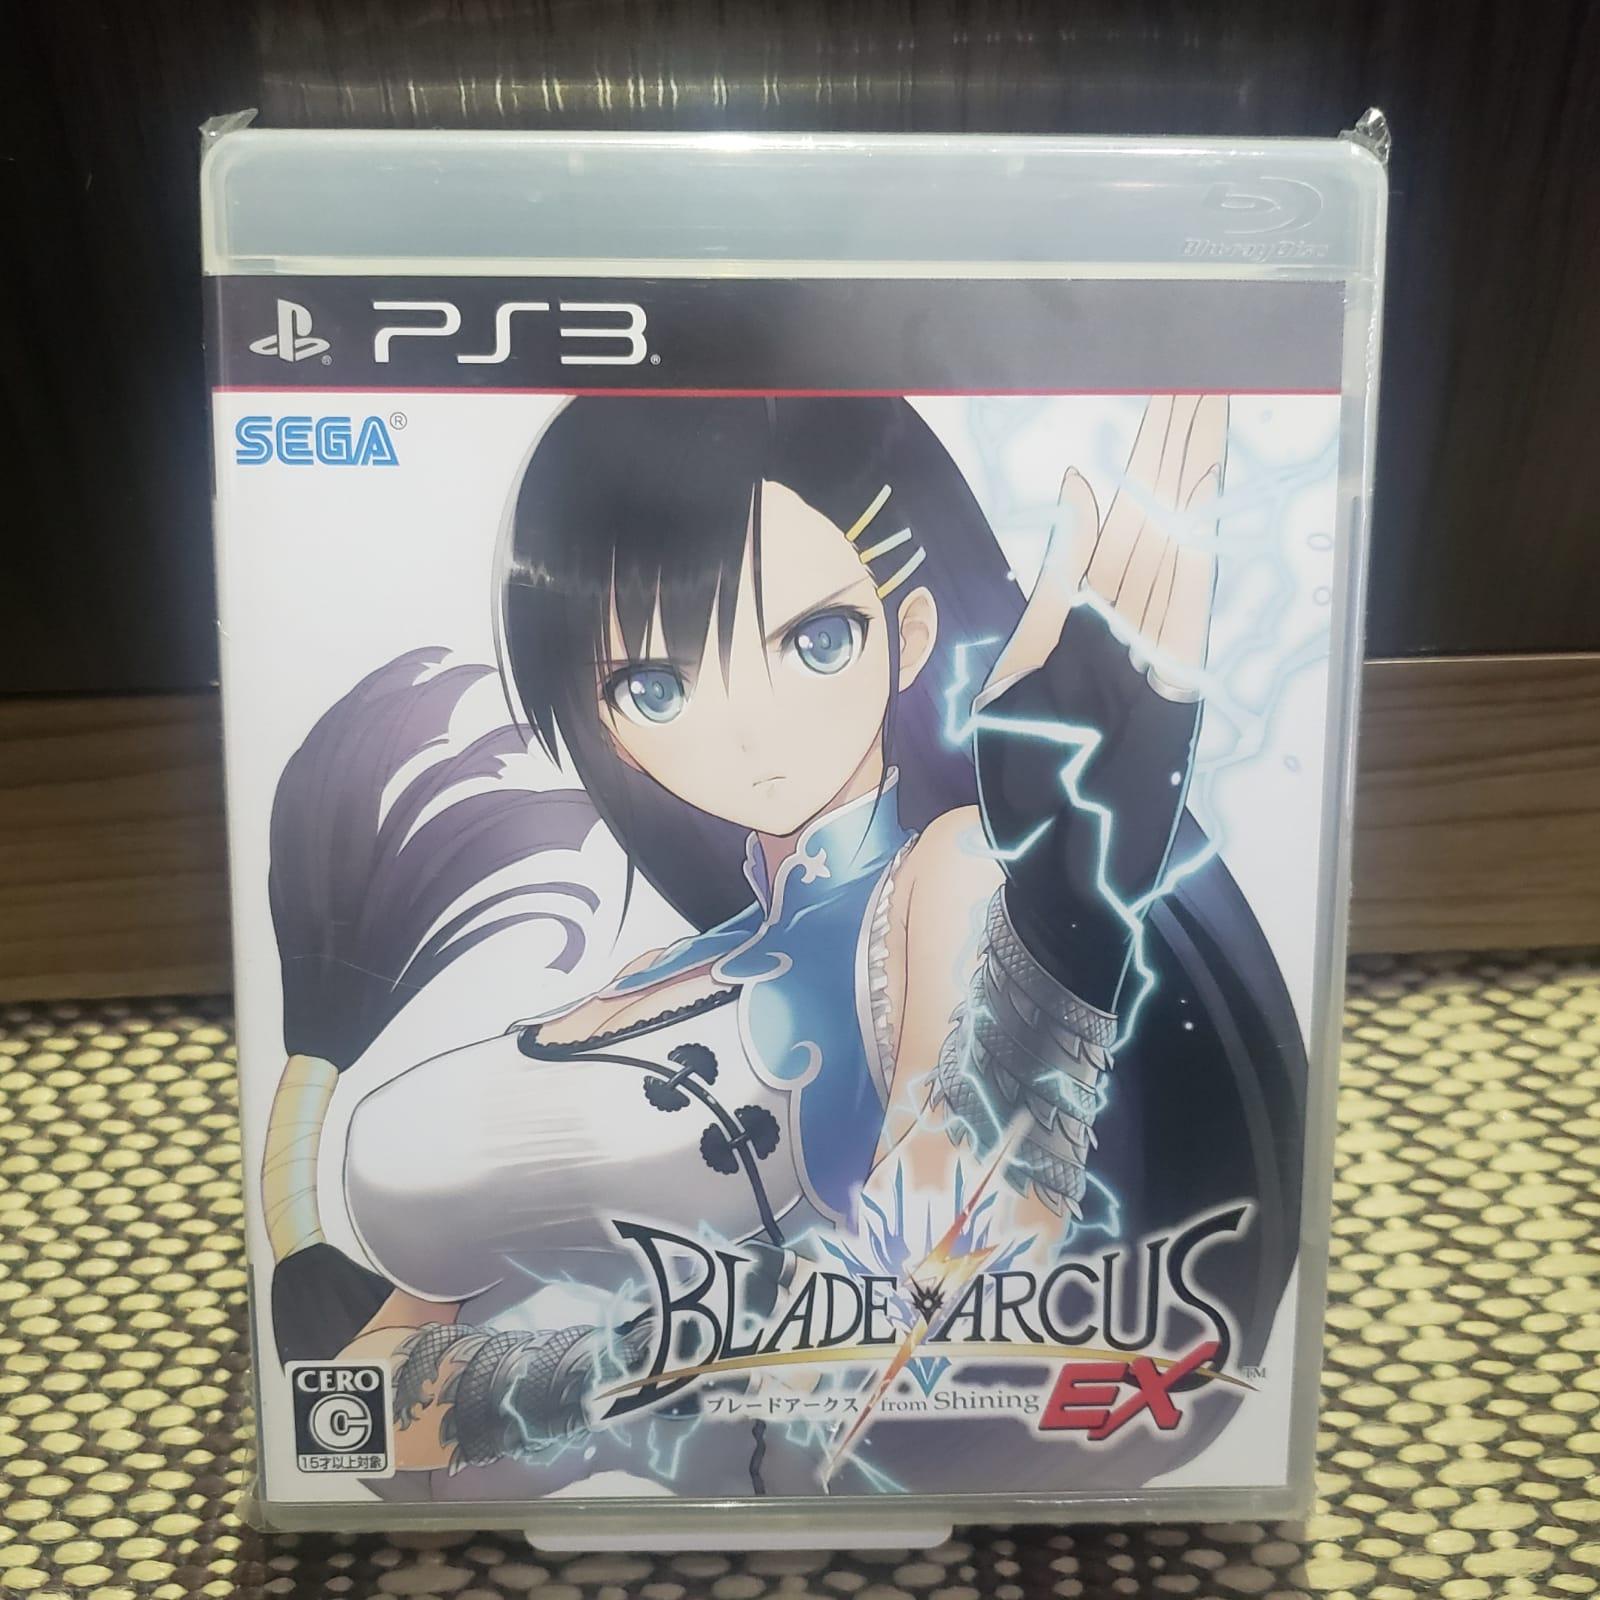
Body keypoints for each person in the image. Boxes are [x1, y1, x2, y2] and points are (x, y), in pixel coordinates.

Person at [260, 395, 1305, 1494]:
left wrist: (1065, 914)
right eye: (655, 684)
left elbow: (961, 1251)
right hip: (540, 1526)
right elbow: (374, 1410)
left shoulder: (941, 877)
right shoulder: (656, 973)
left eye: (815, 641)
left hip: (783, 1493)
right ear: (607, 719)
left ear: (906, 636)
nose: (749, 727)